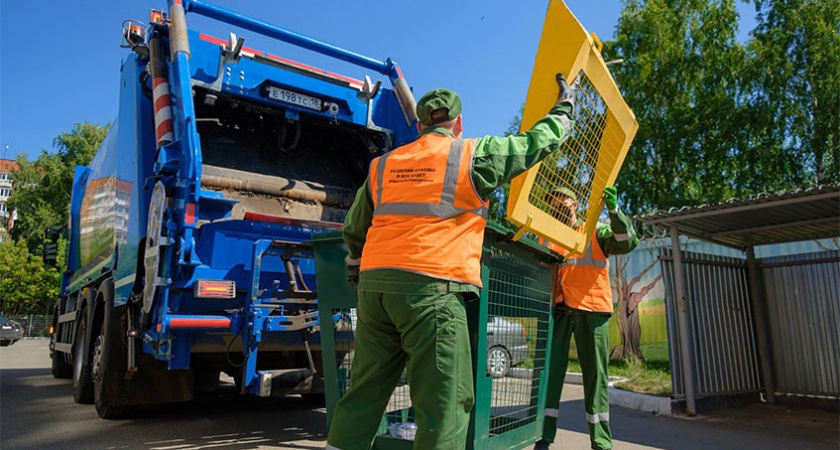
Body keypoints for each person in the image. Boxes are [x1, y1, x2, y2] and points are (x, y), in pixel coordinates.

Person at [325, 73, 578, 450]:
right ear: (458, 124)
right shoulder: (471, 155)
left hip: (376, 291)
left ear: (419, 125)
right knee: (444, 406)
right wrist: (564, 110)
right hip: (433, 292)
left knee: (363, 397)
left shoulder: (383, 166)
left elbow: (354, 228)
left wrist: (355, 272)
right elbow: (532, 144)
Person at [534, 186, 639, 450]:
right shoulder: (546, 236)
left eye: (563, 200)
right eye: (552, 202)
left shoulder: (596, 230)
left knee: (596, 379)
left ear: (575, 204)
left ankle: (601, 442)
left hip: (592, 310)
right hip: (560, 311)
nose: (557, 205)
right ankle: (544, 437)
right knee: (550, 376)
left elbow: (627, 242)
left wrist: (614, 210)